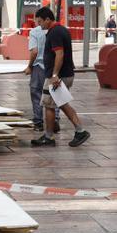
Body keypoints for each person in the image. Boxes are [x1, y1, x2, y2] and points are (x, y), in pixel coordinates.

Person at [31, 8, 90, 148]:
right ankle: (79, 131)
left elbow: (60, 54)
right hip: (63, 74)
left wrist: (54, 75)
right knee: (62, 104)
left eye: (40, 22)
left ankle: (49, 137)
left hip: (57, 77)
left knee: (49, 105)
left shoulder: (55, 32)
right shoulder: (61, 30)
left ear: (47, 19)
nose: (40, 26)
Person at [25, 8, 49, 132]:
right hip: (52, 67)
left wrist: (29, 66)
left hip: (39, 67)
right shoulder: (57, 30)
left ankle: (38, 122)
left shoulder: (35, 32)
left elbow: (34, 51)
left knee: (36, 94)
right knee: (52, 95)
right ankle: (54, 120)